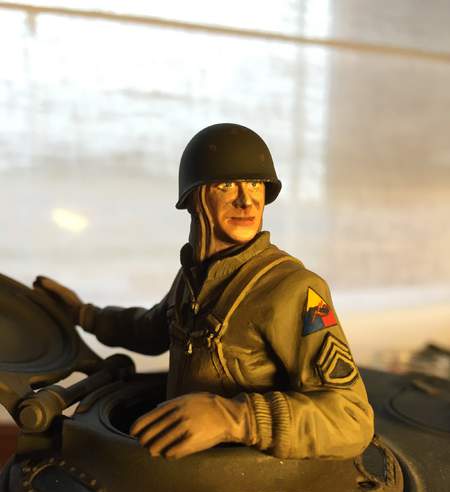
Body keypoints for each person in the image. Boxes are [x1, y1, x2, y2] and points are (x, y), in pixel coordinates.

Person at [35, 123, 374, 461]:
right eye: (226, 185)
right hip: (185, 467)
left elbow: (351, 418)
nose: (246, 200)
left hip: (248, 476)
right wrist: (85, 314)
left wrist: (235, 418)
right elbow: (152, 329)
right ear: (194, 197)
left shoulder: (293, 288)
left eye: (255, 184)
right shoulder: (194, 278)